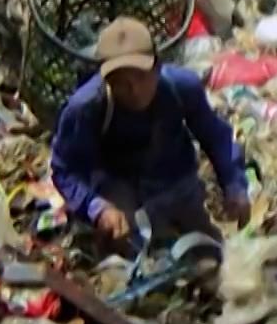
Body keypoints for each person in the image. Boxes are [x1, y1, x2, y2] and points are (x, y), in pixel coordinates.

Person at [50, 19, 252, 256]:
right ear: (106, 81)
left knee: (209, 256)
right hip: (120, 193)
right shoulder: (86, 108)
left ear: (157, 66)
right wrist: (97, 208)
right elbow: (65, 169)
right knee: (130, 259)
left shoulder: (181, 88)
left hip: (175, 185)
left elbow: (217, 137)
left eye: (141, 77)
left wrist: (234, 184)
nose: (134, 91)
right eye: (121, 83)